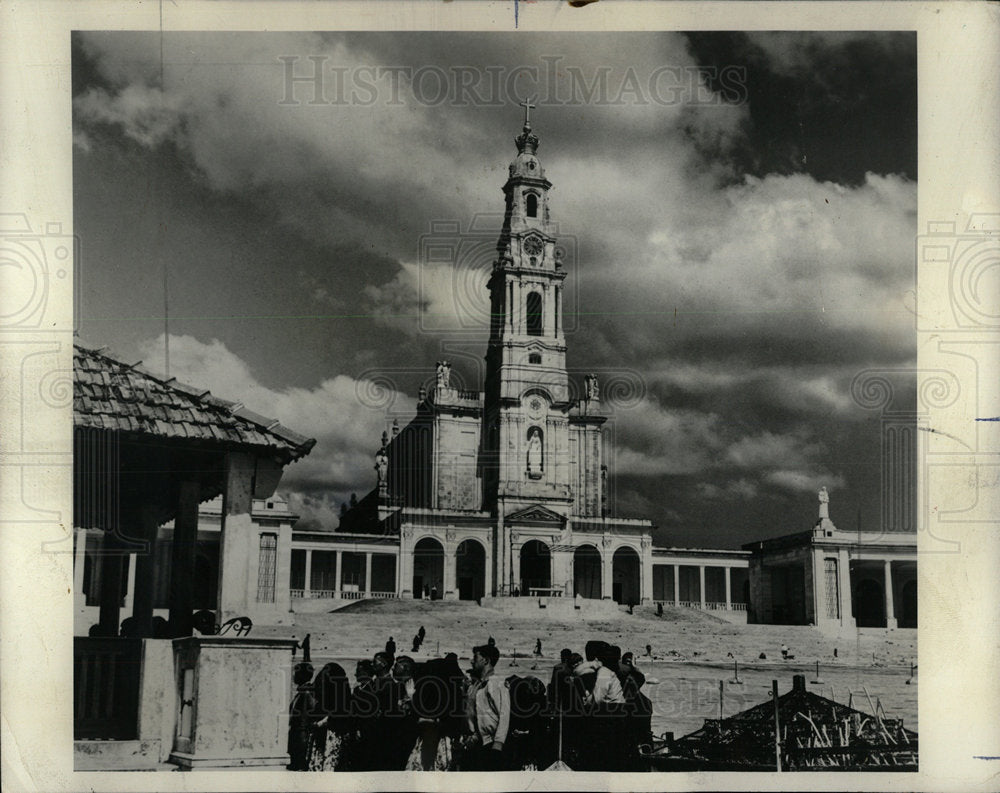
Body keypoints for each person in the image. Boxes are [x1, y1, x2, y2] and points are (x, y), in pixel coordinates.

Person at [466, 643, 512, 771]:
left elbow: (504, 715)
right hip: (480, 743)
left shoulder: (497, 684)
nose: (472, 662)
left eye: (475, 658)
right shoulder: (477, 687)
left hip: (493, 746)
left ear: (486, 660)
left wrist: (498, 744)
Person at [309, 663, 356, 771]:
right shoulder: (341, 695)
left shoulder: (339, 699)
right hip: (327, 736)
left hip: (333, 736)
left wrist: (319, 723)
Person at [287, 661, 316, 771]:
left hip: (301, 736)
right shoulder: (302, 692)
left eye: (296, 673)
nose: (294, 676)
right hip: (297, 734)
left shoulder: (307, 693)